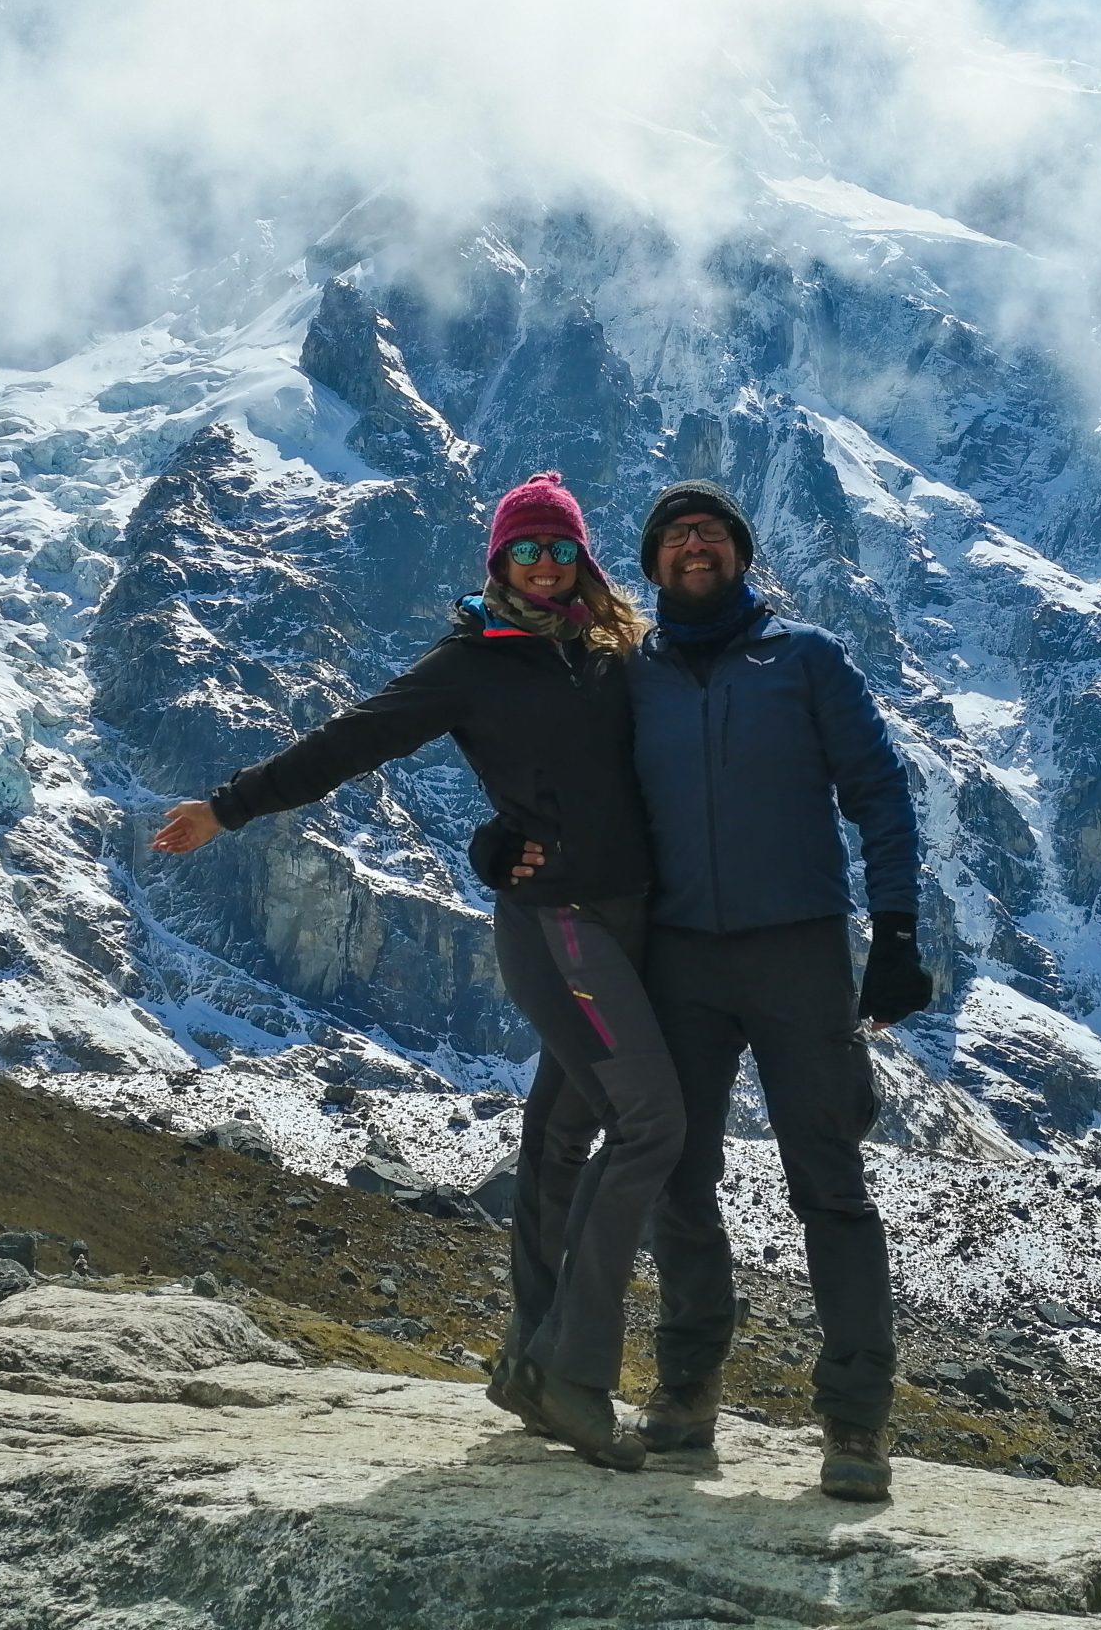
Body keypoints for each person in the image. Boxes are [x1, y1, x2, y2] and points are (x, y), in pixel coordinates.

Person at [150, 472, 681, 1471]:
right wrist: (230, 806)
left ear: (583, 561)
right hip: (559, 926)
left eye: (560, 550)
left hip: (631, 924)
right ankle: (574, 1372)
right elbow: (355, 739)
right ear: (497, 563)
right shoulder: (471, 662)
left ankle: (528, 1360)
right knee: (652, 1120)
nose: (544, 566)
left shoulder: (615, 652)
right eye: (526, 550)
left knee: (564, 1132)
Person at [491, 478, 930, 1501]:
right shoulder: (623, 672)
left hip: (800, 950)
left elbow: (878, 792)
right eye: (675, 535)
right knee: (678, 1181)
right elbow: (555, 770)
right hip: (678, 957)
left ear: (740, 554)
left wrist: (897, 928)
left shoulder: (806, 658)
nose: (695, 544)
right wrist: (506, 836)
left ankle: (856, 1422)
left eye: (713, 532)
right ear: (649, 566)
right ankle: (685, 1391)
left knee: (827, 1182)